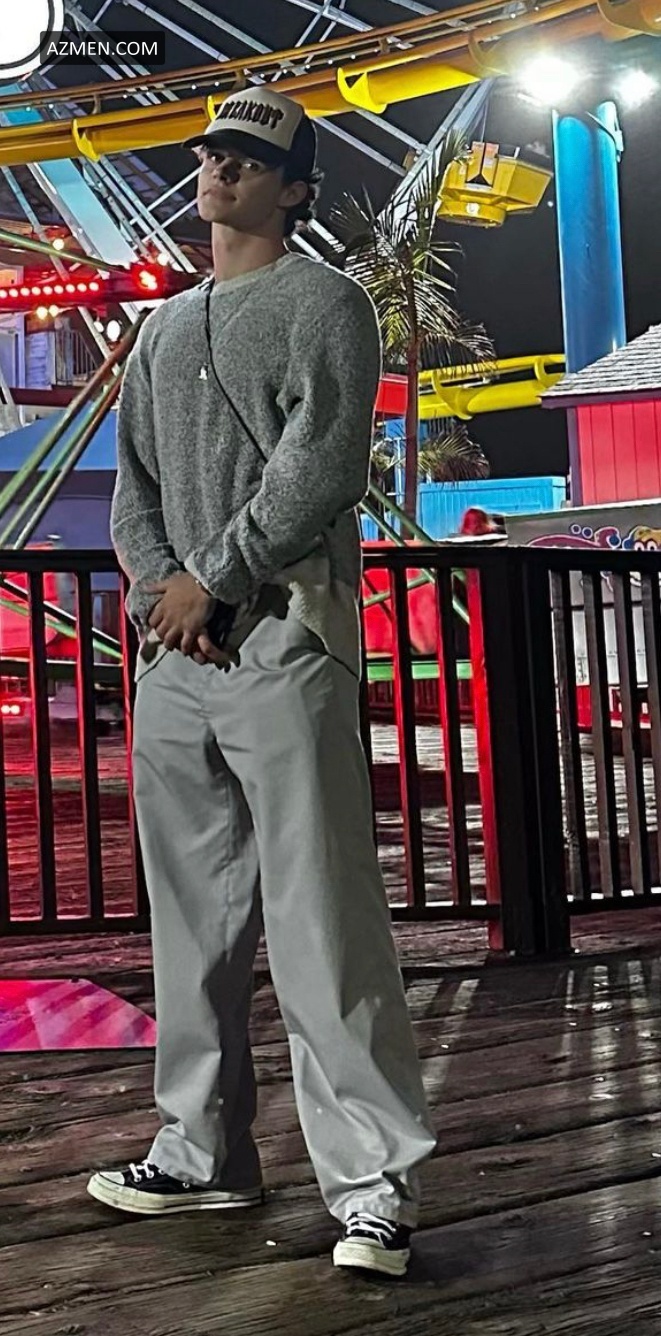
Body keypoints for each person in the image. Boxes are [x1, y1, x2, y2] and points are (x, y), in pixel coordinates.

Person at [87, 86, 436, 1278]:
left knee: (322, 918)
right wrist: (159, 591)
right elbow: (132, 481)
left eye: (248, 157)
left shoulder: (326, 302)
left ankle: (374, 1187)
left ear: (296, 189)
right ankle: (200, 1152)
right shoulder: (160, 328)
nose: (219, 168)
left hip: (284, 639)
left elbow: (322, 462)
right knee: (192, 925)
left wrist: (214, 580)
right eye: (212, 151)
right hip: (176, 653)